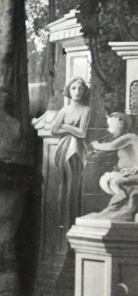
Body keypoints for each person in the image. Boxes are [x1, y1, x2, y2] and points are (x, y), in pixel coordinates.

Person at [50, 77, 90, 217]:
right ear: (69, 91)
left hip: (77, 149)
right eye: (74, 88)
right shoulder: (64, 110)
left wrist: (66, 126)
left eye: (80, 88)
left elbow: (82, 133)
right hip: (63, 147)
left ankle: (73, 218)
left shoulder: (85, 110)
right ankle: (62, 219)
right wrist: (71, 130)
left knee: (75, 183)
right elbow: (54, 131)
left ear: (84, 91)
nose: (77, 91)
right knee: (63, 182)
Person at [92, 112, 138, 202]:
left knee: (114, 182)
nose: (108, 130)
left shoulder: (130, 137)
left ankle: (122, 196)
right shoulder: (125, 138)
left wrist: (96, 145)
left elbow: (113, 146)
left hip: (134, 172)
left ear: (121, 123)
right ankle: (122, 197)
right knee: (105, 180)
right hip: (126, 172)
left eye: (110, 126)